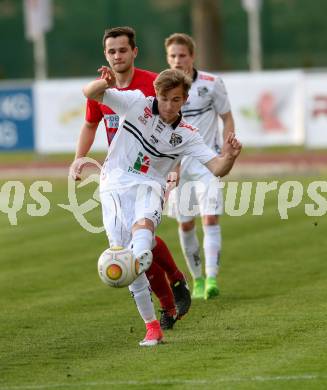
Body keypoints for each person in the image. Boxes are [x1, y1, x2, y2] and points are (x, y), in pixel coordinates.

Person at [82, 66, 242, 345]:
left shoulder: (187, 134)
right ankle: (151, 326)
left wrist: (228, 157)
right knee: (125, 258)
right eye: (165, 98)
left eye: (176, 100)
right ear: (156, 93)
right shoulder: (135, 103)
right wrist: (102, 83)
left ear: (185, 100)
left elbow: (217, 167)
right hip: (115, 184)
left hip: (150, 186)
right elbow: (90, 94)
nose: (169, 105)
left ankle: (146, 262)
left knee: (139, 247)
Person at [70, 27, 191, 330]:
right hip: (120, 175)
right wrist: (78, 159)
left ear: (134, 52)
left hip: (153, 171)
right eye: (112, 51)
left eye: (123, 50)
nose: (117, 56)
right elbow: (89, 124)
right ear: (105, 55)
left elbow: (176, 126)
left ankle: (171, 292)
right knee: (134, 243)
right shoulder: (102, 90)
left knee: (141, 240)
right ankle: (173, 291)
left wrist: (173, 168)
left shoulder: (153, 84)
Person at [165, 33, 235, 300]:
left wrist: (226, 147)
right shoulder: (162, 86)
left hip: (207, 162)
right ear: (167, 58)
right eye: (172, 56)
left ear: (192, 57)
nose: (177, 60)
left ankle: (213, 277)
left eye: (182, 55)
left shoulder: (211, 83)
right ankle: (197, 279)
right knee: (185, 224)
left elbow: (227, 117)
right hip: (177, 165)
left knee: (210, 218)